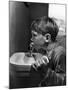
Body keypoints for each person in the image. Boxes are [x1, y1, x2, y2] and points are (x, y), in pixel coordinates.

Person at [30, 16, 66, 86]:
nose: (31, 39)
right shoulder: (46, 50)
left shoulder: (59, 53)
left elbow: (63, 81)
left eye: (34, 35)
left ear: (47, 37)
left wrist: (44, 69)